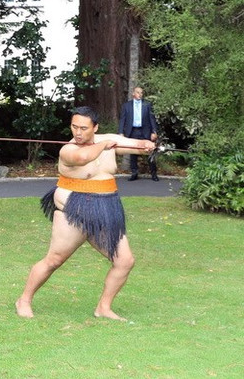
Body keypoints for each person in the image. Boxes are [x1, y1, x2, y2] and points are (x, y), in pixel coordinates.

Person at [15, 106, 156, 320]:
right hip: (74, 208)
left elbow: (133, 146)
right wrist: (104, 145)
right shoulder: (68, 150)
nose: (78, 133)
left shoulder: (107, 140)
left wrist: (145, 145)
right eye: (74, 127)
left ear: (95, 127)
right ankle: (23, 300)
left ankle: (104, 308)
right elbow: (83, 158)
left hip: (106, 207)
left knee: (125, 261)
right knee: (54, 260)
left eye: (83, 128)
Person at [118, 86, 159, 181]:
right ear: (133, 93)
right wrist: (120, 132)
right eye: (138, 92)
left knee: (150, 151)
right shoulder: (126, 106)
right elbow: (122, 119)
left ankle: (154, 174)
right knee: (133, 153)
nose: (140, 94)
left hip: (145, 131)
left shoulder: (147, 104)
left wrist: (154, 132)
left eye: (141, 93)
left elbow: (152, 119)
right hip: (132, 131)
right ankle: (134, 173)